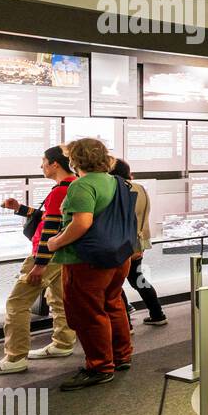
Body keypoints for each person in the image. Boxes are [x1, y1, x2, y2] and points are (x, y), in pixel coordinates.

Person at [48, 138, 136, 390]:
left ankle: (99, 366)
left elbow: (82, 223)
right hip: (119, 256)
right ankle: (121, 356)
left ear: (75, 160)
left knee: (88, 313)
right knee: (113, 303)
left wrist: (55, 242)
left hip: (87, 260)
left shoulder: (81, 186)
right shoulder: (116, 181)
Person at [0, 146, 78, 375]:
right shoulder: (72, 186)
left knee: (16, 303)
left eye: (44, 161)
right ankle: (63, 342)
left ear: (55, 164)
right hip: (62, 255)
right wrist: (21, 209)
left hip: (46, 255)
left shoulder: (60, 191)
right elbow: (52, 219)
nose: (42, 166)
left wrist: (39, 264)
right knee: (59, 299)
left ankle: (15, 356)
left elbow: (50, 229)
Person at [110, 159, 167, 326]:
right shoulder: (140, 188)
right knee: (137, 279)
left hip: (122, 242)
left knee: (115, 283)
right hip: (139, 241)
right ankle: (157, 314)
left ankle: (125, 324)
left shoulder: (118, 190)